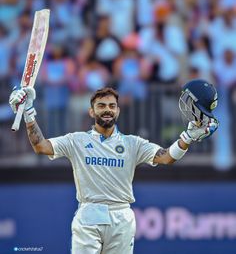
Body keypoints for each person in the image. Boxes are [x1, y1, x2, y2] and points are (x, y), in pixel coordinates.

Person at [9, 80, 219, 254]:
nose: (107, 110)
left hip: (122, 216)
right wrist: (28, 113)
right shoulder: (76, 140)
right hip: (89, 213)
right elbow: (41, 146)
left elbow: (167, 158)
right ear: (91, 112)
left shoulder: (133, 143)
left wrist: (188, 137)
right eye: (101, 106)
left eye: (111, 106)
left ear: (118, 111)